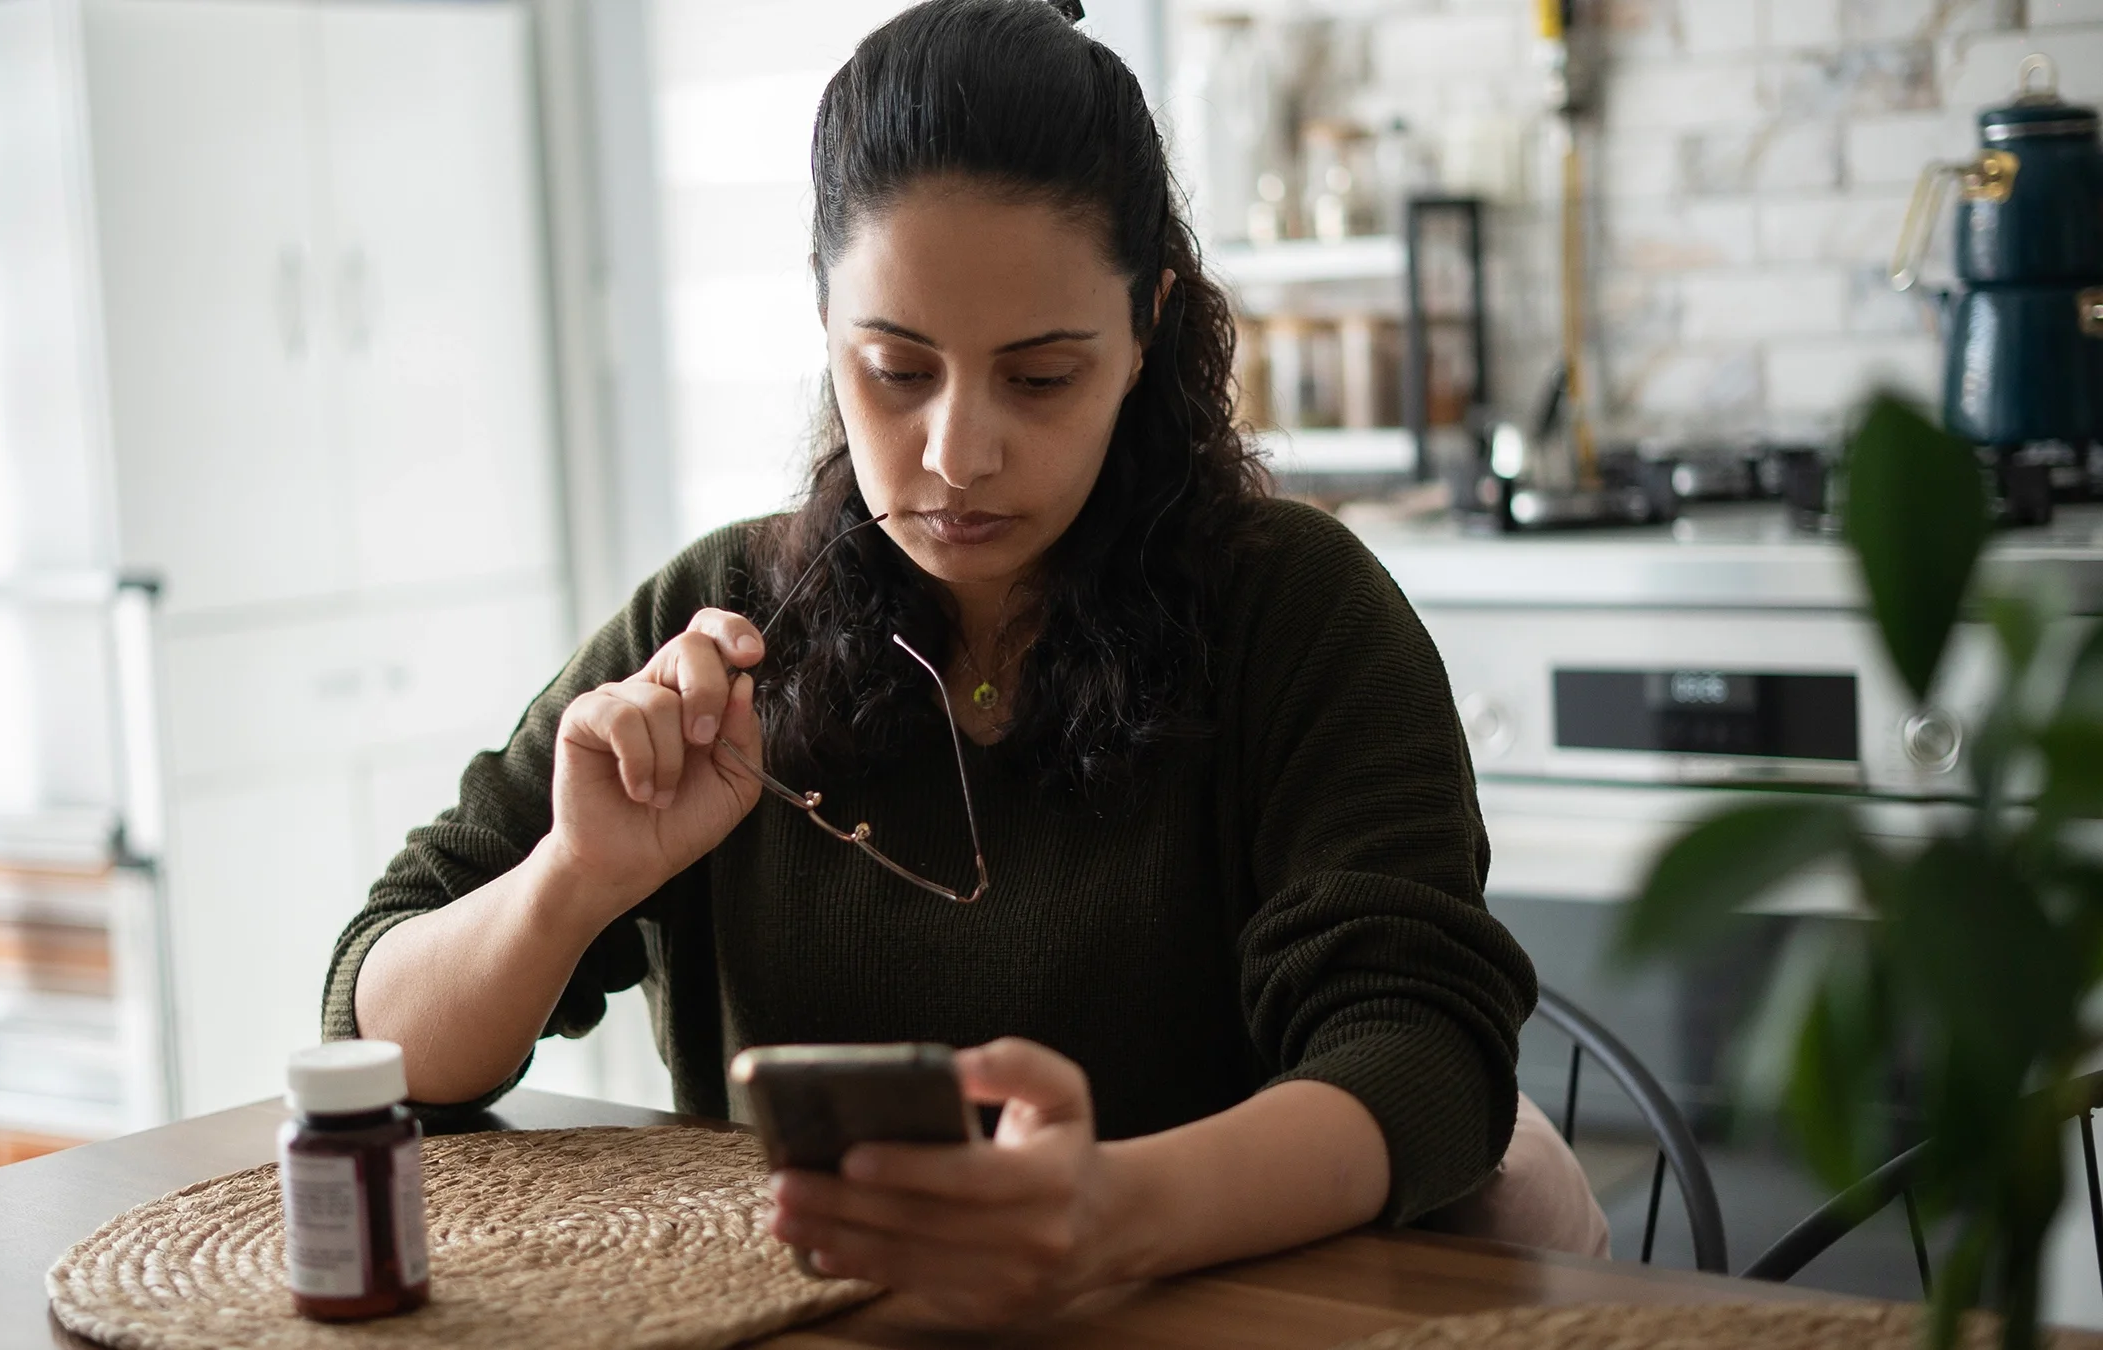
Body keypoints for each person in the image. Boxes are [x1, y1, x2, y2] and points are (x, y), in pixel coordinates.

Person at [326, 0, 1593, 1325]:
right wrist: (574, 878)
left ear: (1148, 323)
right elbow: (375, 1031)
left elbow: (1424, 1053)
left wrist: (1113, 1210)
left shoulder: (1294, 613)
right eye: (896, 370)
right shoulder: (714, 619)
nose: (955, 454)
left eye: (1041, 378)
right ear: (825, 320)